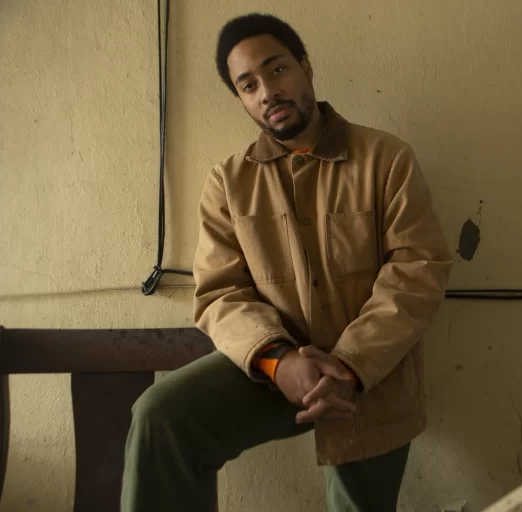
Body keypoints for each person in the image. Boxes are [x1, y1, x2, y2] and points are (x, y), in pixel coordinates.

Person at [121, 12, 453, 512]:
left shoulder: (386, 159)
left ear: (305, 67)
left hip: (370, 375)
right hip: (273, 367)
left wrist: (350, 365)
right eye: (248, 84)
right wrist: (277, 362)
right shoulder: (229, 182)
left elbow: (417, 271)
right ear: (240, 98)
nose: (266, 92)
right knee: (160, 418)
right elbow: (219, 292)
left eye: (276, 70)